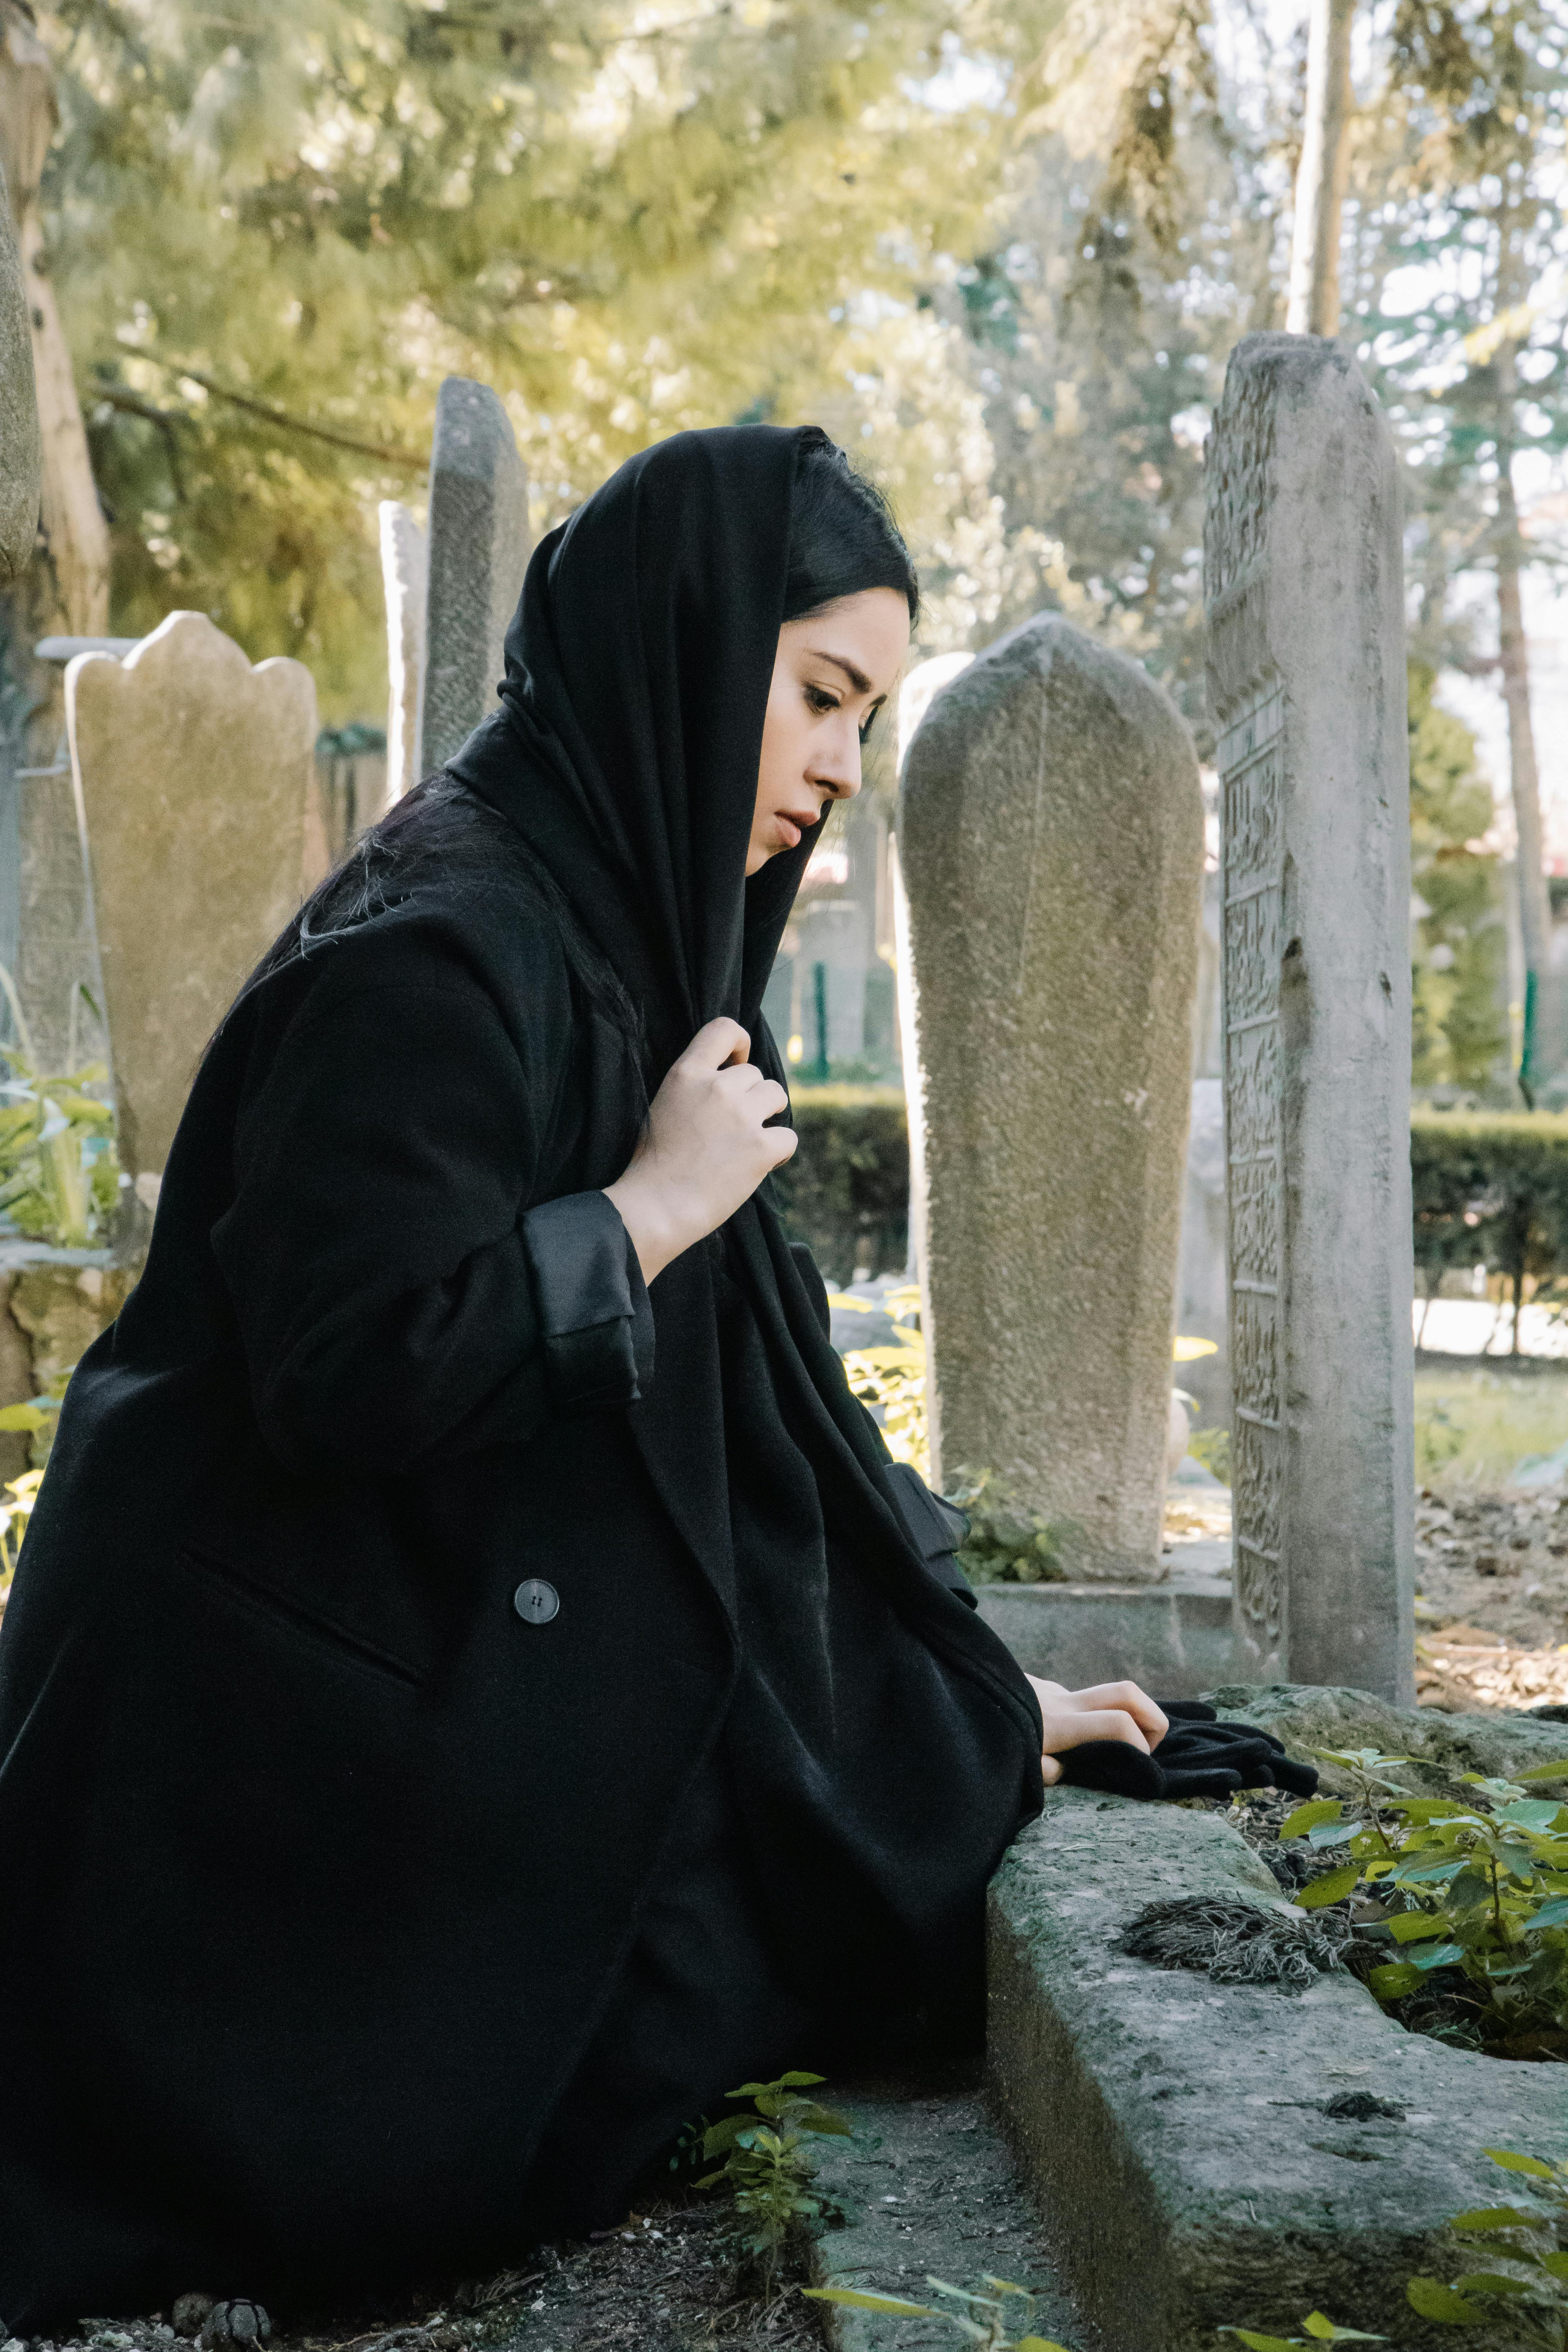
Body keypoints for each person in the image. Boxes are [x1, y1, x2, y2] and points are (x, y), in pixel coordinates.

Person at [0, 424, 1172, 2331]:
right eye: (813, 697)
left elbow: (742, 1416)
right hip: (246, 1767)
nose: (832, 772)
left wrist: (958, 1693)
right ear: (679, 644)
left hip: (404, 1660)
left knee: (836, 1851)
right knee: (724, 1952)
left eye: (862, 721)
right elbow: (353, 1373)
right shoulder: (442, 948)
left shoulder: (606, 927)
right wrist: (639, 1212)